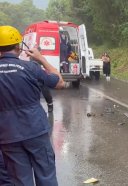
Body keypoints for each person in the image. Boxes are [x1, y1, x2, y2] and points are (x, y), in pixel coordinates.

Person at [0, 25, 65, 185]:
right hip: (36, 130)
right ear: (19, 46)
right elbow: (60, 83)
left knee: (21, 181)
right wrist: (41, 58)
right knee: (46, 176)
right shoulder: (30, 67)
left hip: (8, 135)